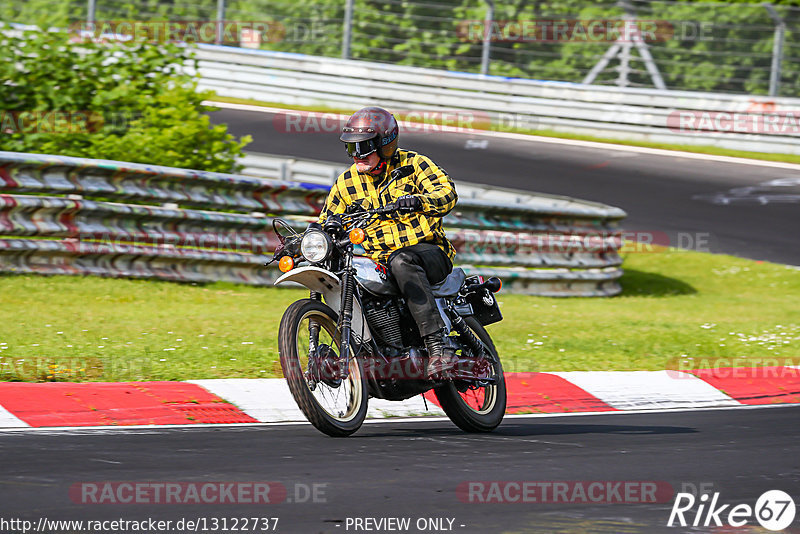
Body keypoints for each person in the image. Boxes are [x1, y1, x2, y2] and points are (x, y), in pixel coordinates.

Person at [317, 106, 458, 377]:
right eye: (352, 148)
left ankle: (437, 346)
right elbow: (327, 218)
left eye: (365, 147)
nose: (357, 155)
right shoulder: (346, 183)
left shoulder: (414, 165)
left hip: (428, 252)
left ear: (385, 144)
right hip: (378, 261)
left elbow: (447, 193)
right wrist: (315, 234)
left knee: (401, 260)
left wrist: (420, 200)